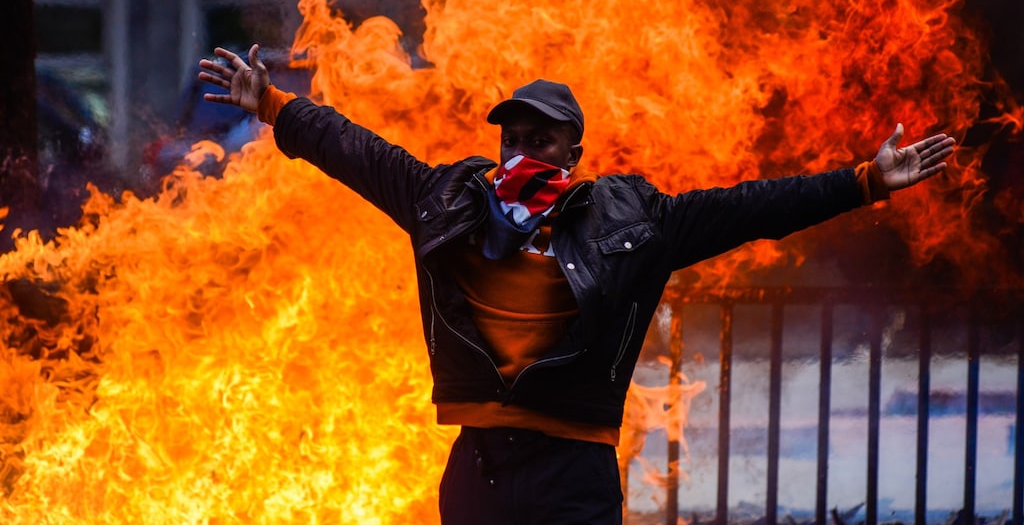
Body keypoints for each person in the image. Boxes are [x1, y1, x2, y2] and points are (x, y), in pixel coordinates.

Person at [198, 44, 955, 524]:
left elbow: (752, 209)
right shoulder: (451, 201)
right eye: (511, 137)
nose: (520, 148)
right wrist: (271, 105)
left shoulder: (630, 222)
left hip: (572, 472)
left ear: (575, 149)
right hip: (479, 468)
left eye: (540, 137)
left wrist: (863, 181)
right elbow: (357, 152)